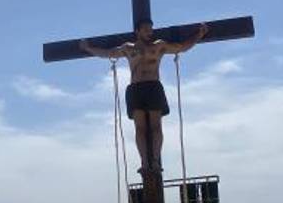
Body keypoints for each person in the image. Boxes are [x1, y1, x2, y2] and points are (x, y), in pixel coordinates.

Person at [80, 19, 208, 172]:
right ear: (138, 31)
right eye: (146, 29)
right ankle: (145, 162)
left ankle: (155, 161)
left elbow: (181, 47)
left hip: (153, 86)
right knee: (139, 128)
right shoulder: (128, 48)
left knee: (156, 126)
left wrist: (198, 35)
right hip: (136, 88)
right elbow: (108, 53)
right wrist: (88, 48)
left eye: (150, 29)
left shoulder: (158, 46)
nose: (150, 32)